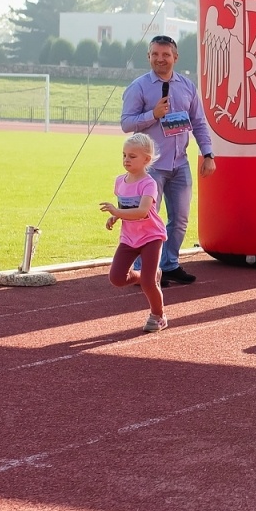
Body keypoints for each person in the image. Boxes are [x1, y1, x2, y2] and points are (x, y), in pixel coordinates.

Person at [119, 34, 216, 287]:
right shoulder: (139, 87)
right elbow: (126, 123)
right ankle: (143, 270)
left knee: (180, 220)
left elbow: (199, 123)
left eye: (165, 55)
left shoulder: (187, 86)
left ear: (175, 57)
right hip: (151, 168)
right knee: (146, 219)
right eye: (155, 54)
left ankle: (169, 264)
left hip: (180, 163)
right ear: (148, 56)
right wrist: (152, 114)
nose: (160, 59)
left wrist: (208, 154)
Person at [101, 134, 170, 333]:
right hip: (129, 238)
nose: (126, 160)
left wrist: (117, 212)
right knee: (117, 278)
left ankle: (158, 315)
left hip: (151, 237)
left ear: (146, 159)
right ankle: (150, 275)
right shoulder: (119, 181)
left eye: (132, 156)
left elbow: (142, 211)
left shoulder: (149, 184)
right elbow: (125, 208)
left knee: (148, 283)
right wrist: (115, 217)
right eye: (124, 155)